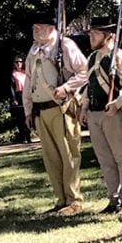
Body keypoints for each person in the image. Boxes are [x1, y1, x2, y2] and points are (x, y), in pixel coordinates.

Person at [23, 11, 88, 216]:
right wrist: (28, 110)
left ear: (51, 29)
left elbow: (84, 71)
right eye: (34, 27)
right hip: (40, 110)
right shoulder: (34, 50)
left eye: (39, 27)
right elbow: (28, 81)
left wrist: (67, 87)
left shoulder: (65, 46)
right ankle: (61, 200)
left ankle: (74, 200)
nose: (35, 31)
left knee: (68, 155)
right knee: (51, 158)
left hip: (61, 108)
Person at [79, 18, 122, 219]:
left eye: (95, 33)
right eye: (91, 33)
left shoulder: (121, 57)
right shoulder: (92, 58)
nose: (91, 37)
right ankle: (113, 200)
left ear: (109, 35)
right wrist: (84, 107)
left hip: (114, 114)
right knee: (105, 160)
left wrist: (118, 103)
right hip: (95, 114)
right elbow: (89, 85)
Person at [10, 55, 31, 143]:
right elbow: (11, 88)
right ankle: (23, 137)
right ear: (14, 64)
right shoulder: (13, 74)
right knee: (21, 118)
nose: (19, 63)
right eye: (17, 62)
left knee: (28, 115)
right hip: (18, 96)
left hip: (27, 95)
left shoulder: (26, 73)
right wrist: (13, 99)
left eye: (20, 61)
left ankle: (28, 136)